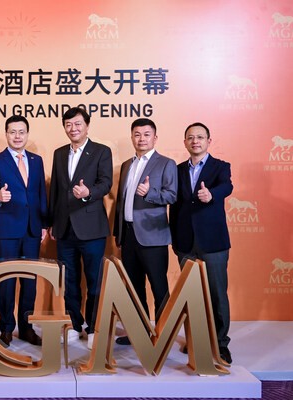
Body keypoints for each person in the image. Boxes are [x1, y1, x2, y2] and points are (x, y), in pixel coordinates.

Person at [48, 107, 113, 349]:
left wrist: (88, 193)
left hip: (91, 228)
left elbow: (106, 183)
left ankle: (94, 326)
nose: (73, 128)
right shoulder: (59, 153)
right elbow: (56, 190)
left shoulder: (101, 151)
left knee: (95, 280)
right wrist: (52, 222)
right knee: (70, 280)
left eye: (77, 124)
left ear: (87, 126)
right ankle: (74, 324)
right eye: (68, 124)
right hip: (65, 228)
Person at [169, 122, 233, 364]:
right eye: (190, 137)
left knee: (217, 294)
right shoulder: (177, 170)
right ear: (185, 142)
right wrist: (175, 239)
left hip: (213, 242)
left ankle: (220, 344)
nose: (195, 141)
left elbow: (227, 186)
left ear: (208, 141)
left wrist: (212, 194)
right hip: (185, 243)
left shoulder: (220, 167)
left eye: (200, 137)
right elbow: (174, 208)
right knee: (191, 295)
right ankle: (196, 340)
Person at [0, 115, 47, 347]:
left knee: (30, 282)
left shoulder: (37, 160)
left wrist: (43, 224)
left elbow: (41, 194)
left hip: (32, 229)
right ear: (6, 134)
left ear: (27, 134)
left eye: (21, 132)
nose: (17, 136)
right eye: (13, 132)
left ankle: (27, 328)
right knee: (7, 282)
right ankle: (7, 329)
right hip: (8, 229)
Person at [113, 118, 177, 345]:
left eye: (146, 134)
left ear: (155, 138)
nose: (141, 139)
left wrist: (149, 193)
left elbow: (172, 195)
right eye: (137, 134)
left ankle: (163, 336)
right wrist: (118, 233)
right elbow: (121, 202)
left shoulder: (166, 163)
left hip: (153, 236)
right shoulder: (126, 165)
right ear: (132, 137)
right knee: (134, 287)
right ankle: (138, 334)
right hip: (129, 235)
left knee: (159, 287)